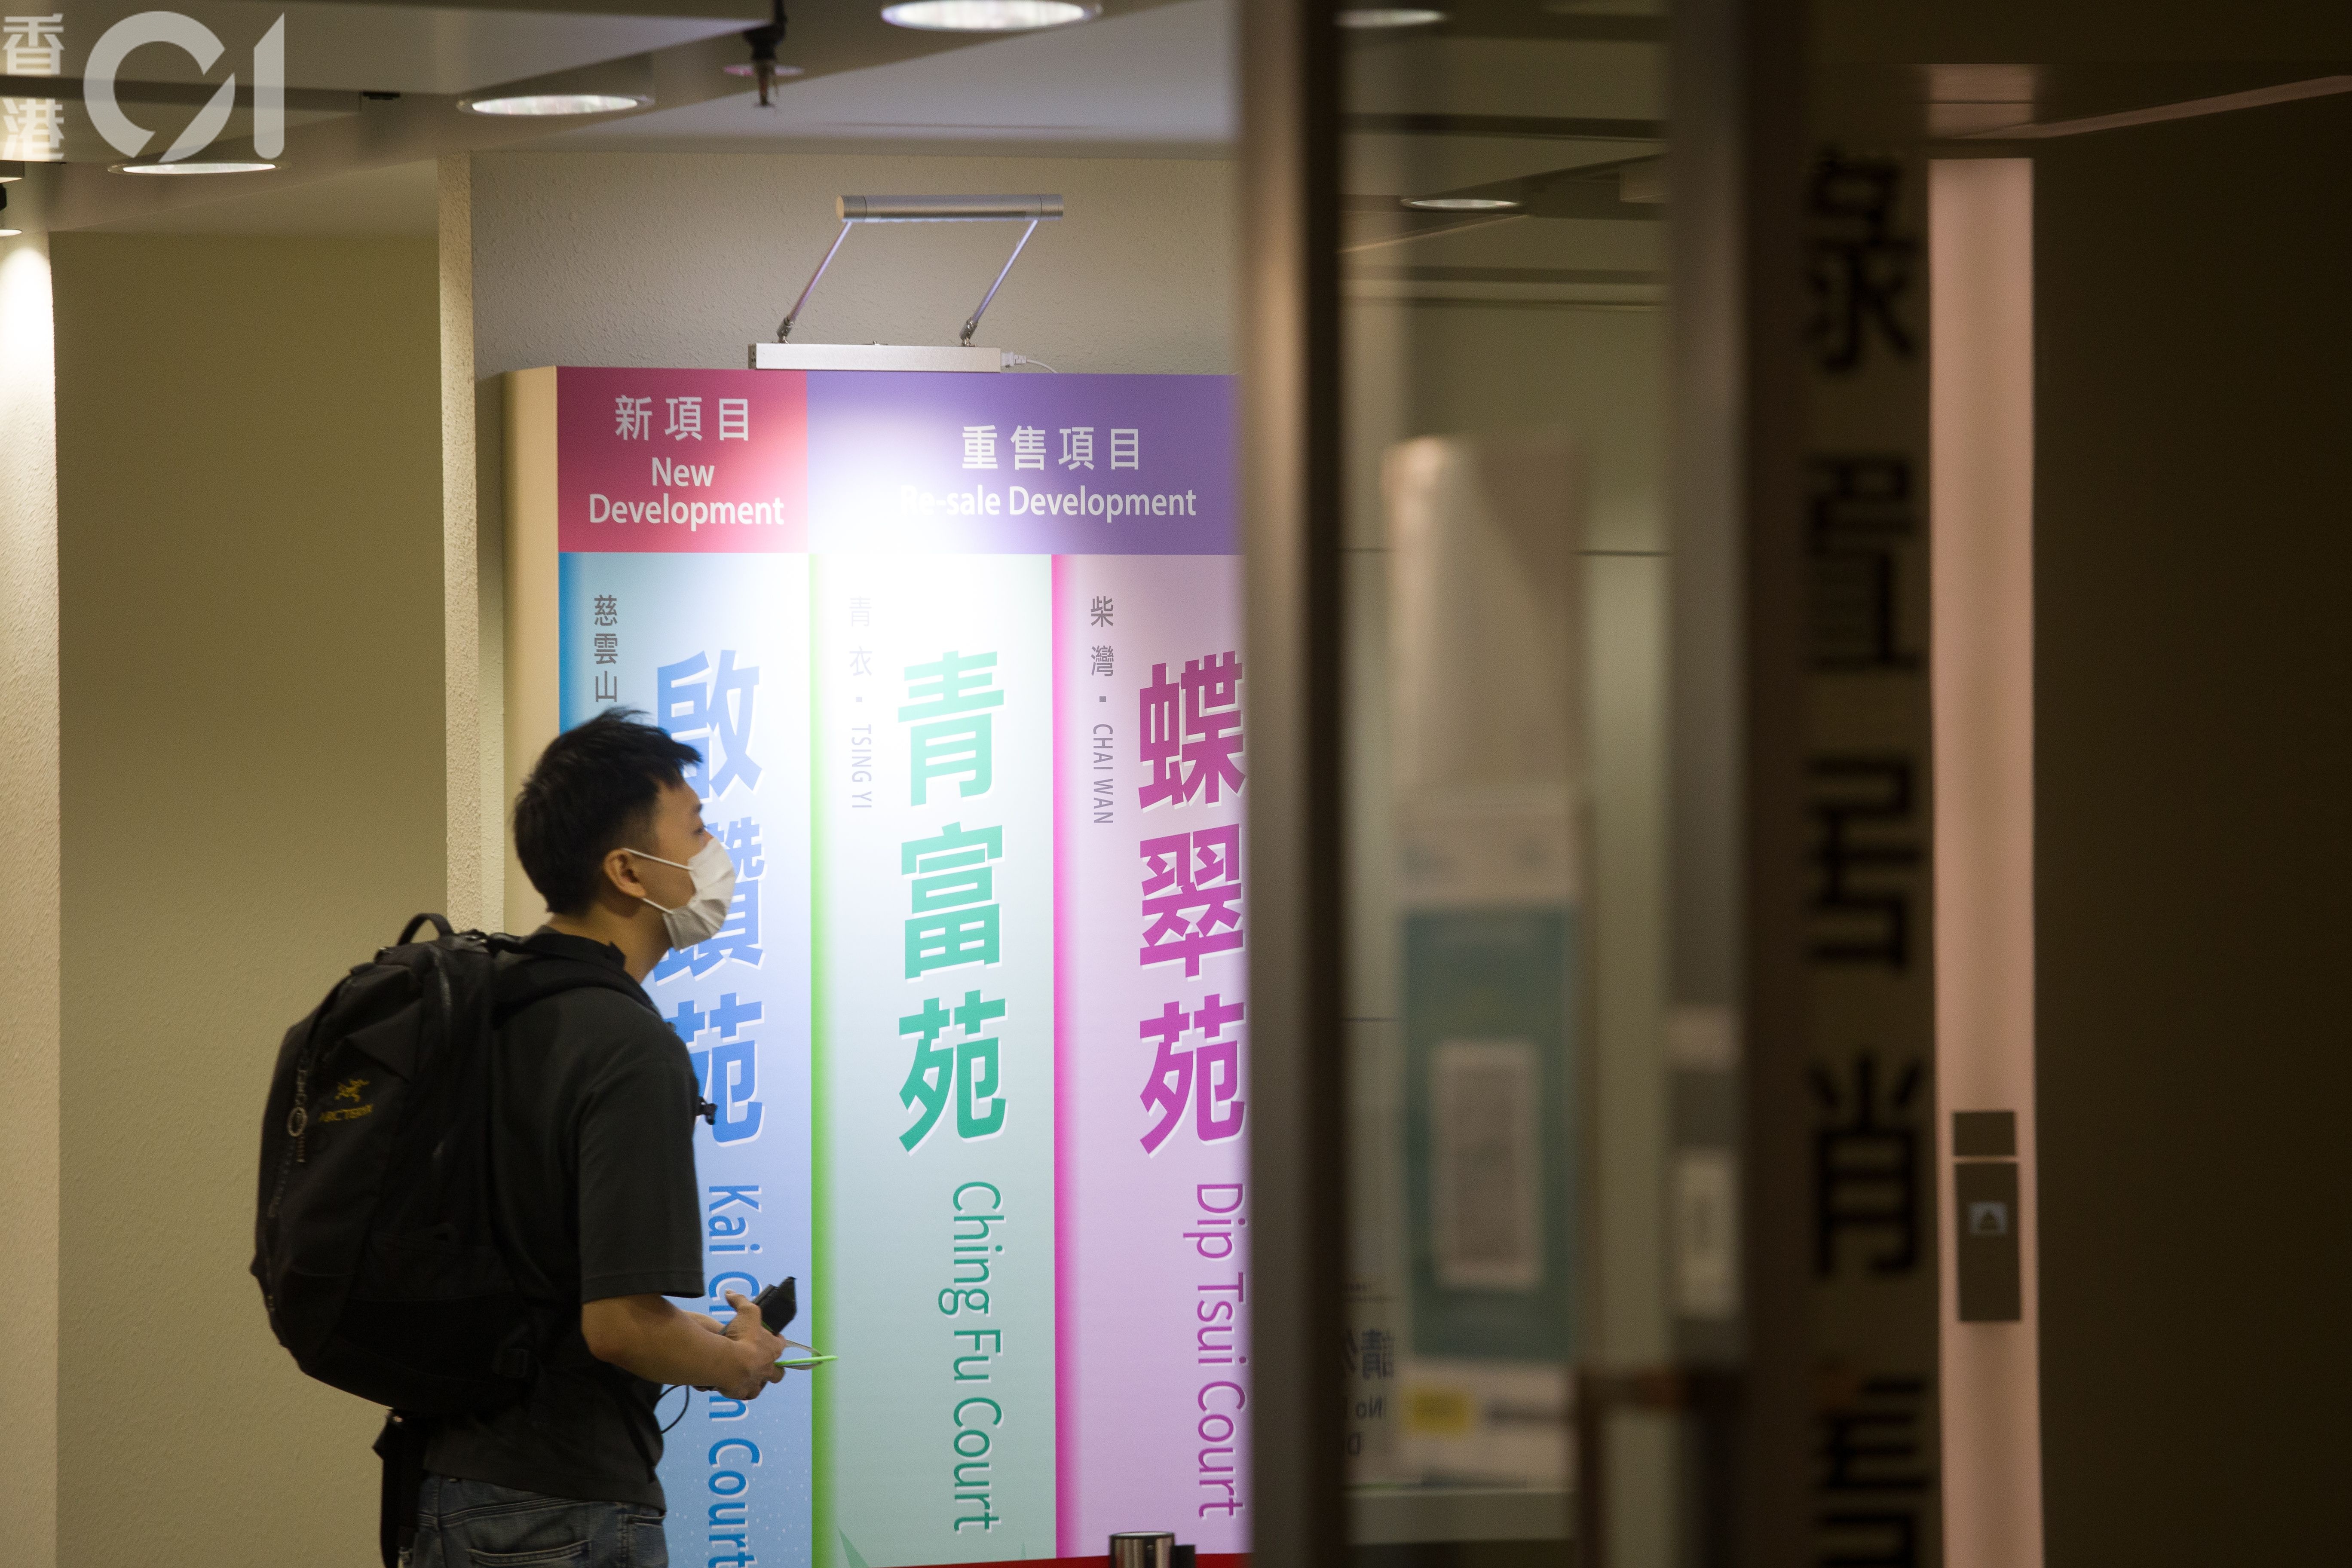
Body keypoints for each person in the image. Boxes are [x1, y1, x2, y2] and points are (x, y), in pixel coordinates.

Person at [405, 709, 785, 1568]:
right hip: (560, 1507)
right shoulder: (626, 1043)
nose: (715, 850)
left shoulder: (488, 1009)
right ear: (627, 870)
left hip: (450, 1481)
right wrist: (737, 1362)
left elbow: (542, 1273)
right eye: (695, 829)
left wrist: (682, 1329)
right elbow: (617, 1328)